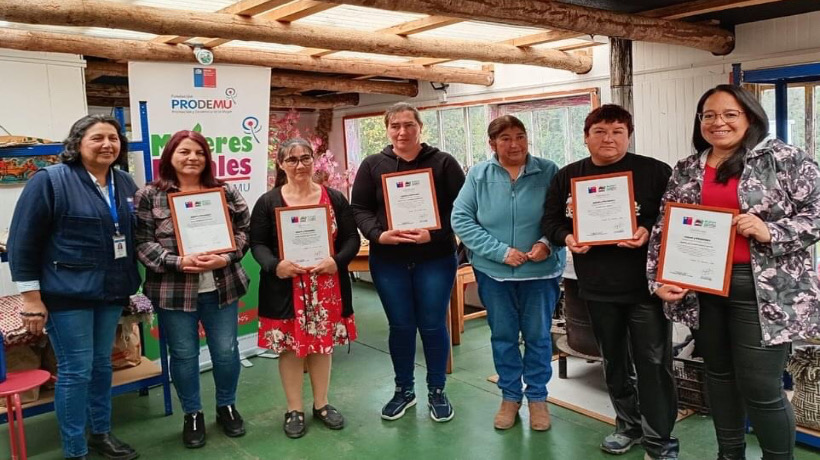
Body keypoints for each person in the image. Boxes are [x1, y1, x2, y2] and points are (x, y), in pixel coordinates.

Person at [647, 85, 820, 460]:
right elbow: (665, 227)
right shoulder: (688, 168)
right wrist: (659, 277)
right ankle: (729, 455)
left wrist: (772, 230)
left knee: (761, 387)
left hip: (764, 293)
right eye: (708, 115)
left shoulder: (783, 159)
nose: (718, 122)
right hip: (705, 289)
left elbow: (817, 210)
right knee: (719, 379)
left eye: (729, 114)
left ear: (750, 117)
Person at [542, 104, 679, 460]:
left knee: (653, 363)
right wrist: (567, 238)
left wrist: (647, 230)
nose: (609, 138)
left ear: (628, 135)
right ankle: (627, 425)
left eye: (618, 131)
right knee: (614, 361)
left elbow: (672, 219)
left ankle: (660, 438)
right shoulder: (568, 176)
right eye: (600, 131)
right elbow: (551, 221)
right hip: (598, 286)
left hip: (646, 288)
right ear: (586, 137)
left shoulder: (653, 171)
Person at [8, 115, 141, 460]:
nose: (107, 144)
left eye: (113, 138)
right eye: (97, 138)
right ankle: (75, 449)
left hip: (110, 292)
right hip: (66, 295)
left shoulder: (125, 182)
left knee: (101, 366)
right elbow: (23, 242)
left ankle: (100, 433)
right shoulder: (50, 181)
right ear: (78, 142)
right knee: (75, 370)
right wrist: (31, 298)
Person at [135, 130, 250, 449]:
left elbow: (245, 230)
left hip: (222, 286)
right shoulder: (150, 195)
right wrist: (176, 261)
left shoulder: (223, 191)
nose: (192, 158)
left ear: (207, 158)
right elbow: (141, 243)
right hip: (173, 291)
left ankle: (226, 406)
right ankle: (193, 414)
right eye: (184, 152)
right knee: (183, 355)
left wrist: (225, 255)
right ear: (170, 156)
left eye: (199, 152)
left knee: (226, 352)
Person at [350, 102, 465, 422]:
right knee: (400, 326)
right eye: (395, 126)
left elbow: (463, 207)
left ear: (420, 128)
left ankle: (437, 390)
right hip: (389, 261)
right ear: (387, 129)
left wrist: (437, 234)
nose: (402, 132)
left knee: (432, 324)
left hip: (436, 258)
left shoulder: (443, 163)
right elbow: (358, 207)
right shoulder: (373, 165)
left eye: (409, 125)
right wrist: (378, 234)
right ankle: (404, 391)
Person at [451, 115, 565, 431]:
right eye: (505, 138)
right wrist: (500, 251)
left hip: (540, 274)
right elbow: (461, 219)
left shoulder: (549, 170)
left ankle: (538, 399)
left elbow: (562, 216)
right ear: (492, 144)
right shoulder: (478, 175)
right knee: (503, 337)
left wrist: (546, 244)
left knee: (539, 338)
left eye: (520, 136)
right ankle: (510, 397)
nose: (514, 144)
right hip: (494, 274)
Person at [250, 138, 360, 439]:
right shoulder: (268, 202)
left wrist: (336, 261)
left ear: (315, 161)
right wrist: (275, 266)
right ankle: (294, 409)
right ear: (281, 164)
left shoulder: (335, 198)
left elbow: (351, 238)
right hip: (285, 287)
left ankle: (322, 404)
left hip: (326, 285)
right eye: (292, 159)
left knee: (323, 346)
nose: (300, 165)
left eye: (306, 158)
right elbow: (256, 243)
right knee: (291, 349)